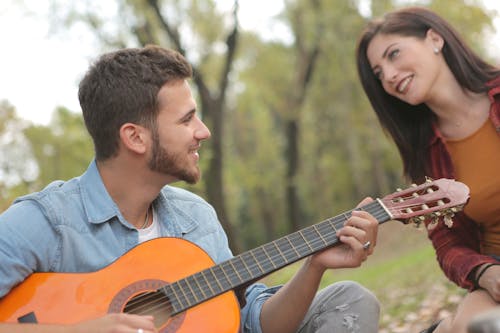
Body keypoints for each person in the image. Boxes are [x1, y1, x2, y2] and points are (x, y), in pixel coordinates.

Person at [0, 45, 380, 332]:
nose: (203, 132)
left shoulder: (195, 217)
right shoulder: (46, 221)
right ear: (135, 137)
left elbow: (251, 322)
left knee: (350, 298)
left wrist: (314, 265)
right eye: (186, 120)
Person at [355, 6, 500, 333]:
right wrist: (484, 273)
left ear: (434, 39)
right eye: (379, 73)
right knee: (475, 326)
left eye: (394, 55)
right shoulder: (426, 153)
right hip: (497, 268)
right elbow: (448, 244)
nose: (389, 76)